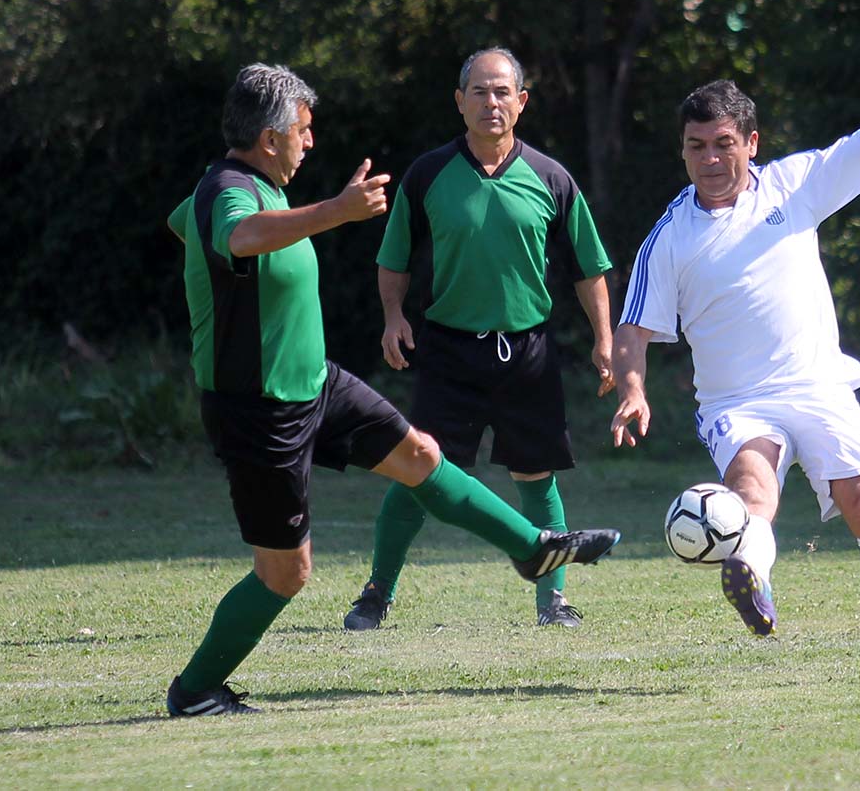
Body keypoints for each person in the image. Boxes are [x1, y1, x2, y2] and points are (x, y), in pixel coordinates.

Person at [163, 63, 620, 716]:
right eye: (303, 129)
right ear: (269, 138)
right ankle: (194, 689)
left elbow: (186, 225)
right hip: (257, 409)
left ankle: (534, 549)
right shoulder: (232, 191)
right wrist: (339, 212)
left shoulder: (242, 189)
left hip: (314, 384)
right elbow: (235, 235)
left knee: (421, 456)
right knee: (285, 574)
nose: (309, 141)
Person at [610, 31, 860, 679]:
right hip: (737, 401)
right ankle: (751, 573)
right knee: (751, 489)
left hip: (819, 386)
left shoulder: (791, 185)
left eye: (725, 143)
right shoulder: (668, 238)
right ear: (683, 151)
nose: (711, 159)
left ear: (752, 143)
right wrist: (633, 390)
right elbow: (632, 329)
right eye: (697, 146)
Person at [342, 47, 616, 630]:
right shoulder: (428, 174)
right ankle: (376, 592)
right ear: (459, 101)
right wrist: (394, 317)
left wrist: (603, 338)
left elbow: (588, 268)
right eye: (479, 91)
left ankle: (553, 601)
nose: (491, 102)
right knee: (418, 471)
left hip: (530, 353)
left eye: (502, 92)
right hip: (449, 353)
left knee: (536, 477)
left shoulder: (551, 177)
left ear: (521, 102)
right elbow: (394, 258)